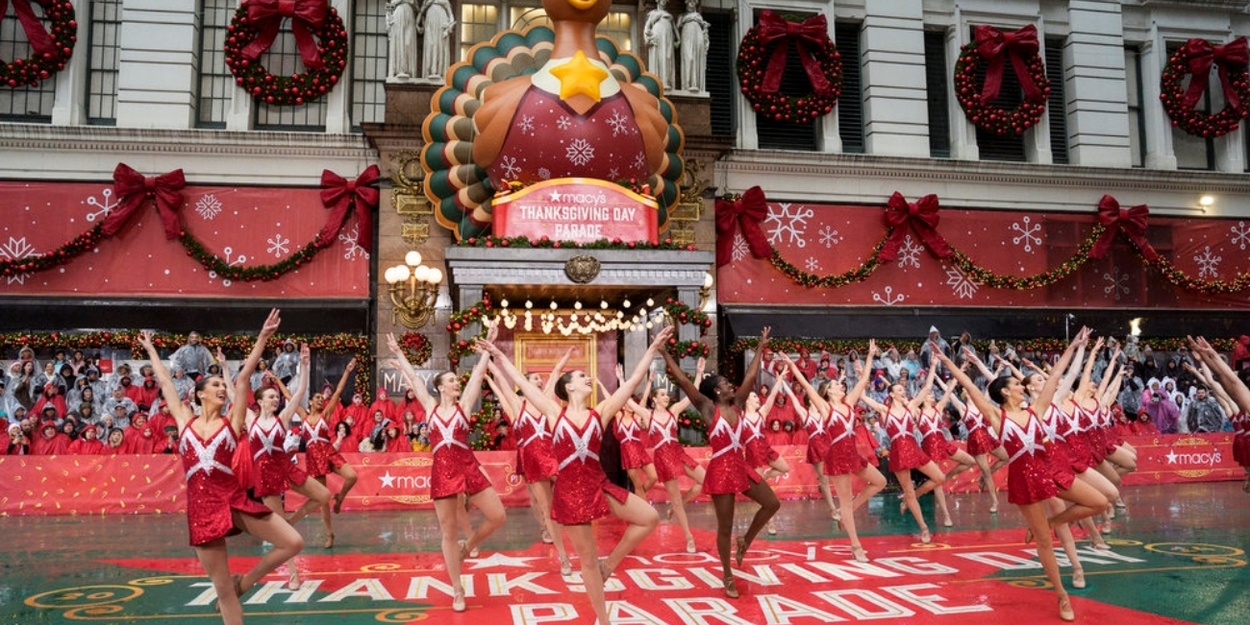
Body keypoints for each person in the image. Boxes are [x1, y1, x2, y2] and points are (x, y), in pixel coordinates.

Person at [479, 326, 671, 624]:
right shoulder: (553, 413)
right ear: (568, 387)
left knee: (650, 517)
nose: (587, 378)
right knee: (588, 561)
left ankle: (611, 565)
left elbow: (633, 380)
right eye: (581, 376)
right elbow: (522, 384)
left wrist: (653, 348)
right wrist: (498, 356)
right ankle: (603, 620)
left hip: (599, 484)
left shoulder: (601, 412)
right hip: (569, 493)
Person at [137, 311, 303, 624]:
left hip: (233, 499)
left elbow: (244, 378)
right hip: (201, 508)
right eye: (215, 385)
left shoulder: (232, 423)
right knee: (223, 591)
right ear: (200, 394)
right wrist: (151, 351)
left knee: (293, 542)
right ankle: (232, 590)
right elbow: (165, 382)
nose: (221, 389)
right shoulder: (184, 422)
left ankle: (245, 583)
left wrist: (262, 337)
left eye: (222, 385)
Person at [936, 329, 1107, 622]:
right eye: (1016, 384)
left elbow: (1055, 378)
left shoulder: (1036, 409)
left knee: (1099, 502)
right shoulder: (996, 417)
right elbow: (971, 387)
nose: (1021, 386)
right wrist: (947, 362)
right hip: (1024, 477)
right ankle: (1062, 596)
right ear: (1005, 392)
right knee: (1045, 543)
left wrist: (1073, 347)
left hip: (1049, 468)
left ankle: (1050, 523)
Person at [387, 329, 506, 614]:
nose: (457, 382)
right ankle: (457, 589)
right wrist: (399, 353)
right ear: (440, 387)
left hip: (468, 466)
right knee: (448, 532)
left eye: (456, 379)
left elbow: (477, 376)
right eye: (451, 380)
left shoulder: (464, 406)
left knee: (498, 515)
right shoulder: (430, 407)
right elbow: (415, 379)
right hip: (442, 472)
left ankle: (468, 546)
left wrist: (487, 348)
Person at [660, 326, 780, 599]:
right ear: (715, 391)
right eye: (725, 383)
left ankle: (746, 539)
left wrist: (760, 348)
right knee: (725, 527)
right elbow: (684, 382)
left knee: (772, 503)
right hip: (721, 471)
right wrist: (664, 353)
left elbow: (750, 376)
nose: (730, 385)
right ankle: (727, 575)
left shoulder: (738, 403)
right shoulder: (707, 409)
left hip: (741, 466)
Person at [782, 344, 886, 562]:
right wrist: (792, 365)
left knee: (880, 482)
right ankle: (856, 546)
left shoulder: (849, 403)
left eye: (841, 384)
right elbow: (807, 386)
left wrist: (868, 356)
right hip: (836, 456)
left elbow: (863, 381)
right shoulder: (824, 407)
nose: (841, 385)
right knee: (845, 502)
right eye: (836, 385)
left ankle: (847, 510)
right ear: (829, 391)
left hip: (853, 454)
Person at [247, 344, 332, 590]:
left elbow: (300, 392)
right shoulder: (250, 419)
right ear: (259, 401)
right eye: (271, 397)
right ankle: (293, 574)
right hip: (265, 475)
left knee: (324, 495)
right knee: (281, 532)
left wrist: (305, 366)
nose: (276, 399)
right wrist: (223, 366)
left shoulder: (282, 418)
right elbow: (236, 392)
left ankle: (292, 520)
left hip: (285, 466)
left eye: (276, 397)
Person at [481, 357, 573, 575]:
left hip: (552, 457)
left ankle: (578, 535)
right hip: (531, 459)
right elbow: (502, 380)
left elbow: (556, 371)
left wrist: (566, 357)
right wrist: (489, 360)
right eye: (535, 379)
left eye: (540, 379)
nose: (540, 381)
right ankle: (563, 556)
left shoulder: (546, 401)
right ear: (524, 384)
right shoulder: (516, 405)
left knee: (570, 494)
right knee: (544, 506)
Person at [859, 364, 945, 543]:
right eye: (899, 389)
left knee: (939, 478)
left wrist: (933, 366)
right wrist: (862, 375)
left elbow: (926, 389)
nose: (903, 391)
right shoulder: (885, 410)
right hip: (898, 452)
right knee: (908, 491)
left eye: (903, 389)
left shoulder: (911, 407)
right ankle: (924, 528)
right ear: (891, 394)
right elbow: (863, 396)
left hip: (915, 449)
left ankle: (908, 498)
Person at [639, 359, 707, 555]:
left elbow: (691, 396)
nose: (666, 396)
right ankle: (689, 537)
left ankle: (677, 506)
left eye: (667, 394)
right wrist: (623, 381)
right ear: (654, 399)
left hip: (679, 453)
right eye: (662, 394)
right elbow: (627, 401)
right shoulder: (648, 415)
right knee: (675, 500)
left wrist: (699, 374)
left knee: (705, 481)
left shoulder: (674, 411)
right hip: (663, 458)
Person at [300, 359, 359, 548]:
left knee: (352, 476)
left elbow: (338, 391)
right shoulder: (303, 416)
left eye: (322, 398)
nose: (320, 400)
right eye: (317, 398)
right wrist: (277, 380)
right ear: (310, 401)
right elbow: (289, 396)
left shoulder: (325, 414)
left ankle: (340, 497)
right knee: (323, 498)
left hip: (328, 451)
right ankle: (329, 534)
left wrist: (347, 371)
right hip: (313, 457)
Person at [1184, 337, 1250, 492]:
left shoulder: (1242, 404)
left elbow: (1229, 381)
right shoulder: (1241, 404)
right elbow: (1222, 381)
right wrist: (1207, 358)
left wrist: (1209, 356)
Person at [676, 0, 709, 93]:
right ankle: (687, 85)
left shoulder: (699, 16)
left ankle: (696, 84)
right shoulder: (682, 16)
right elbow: (677, 28)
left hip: (697, 36)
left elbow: (704, 28)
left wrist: (704, 27)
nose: (692, 2)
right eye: (690, 1)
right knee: (689, 57)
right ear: (686, 3)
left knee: (697, 58)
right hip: (686, 35)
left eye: (694, 1)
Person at [643, 0, 677, 88]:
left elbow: (675, 30)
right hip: (658, 36)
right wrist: (648, 39)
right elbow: (647, 28)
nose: (663, 1)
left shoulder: (670, 16)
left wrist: (678, 40)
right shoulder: (653, 13)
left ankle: (667, 81)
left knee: (667, 57)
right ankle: (659, 82)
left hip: (668, 37)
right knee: (659, 57)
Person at [417, 0, 454, 79]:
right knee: (430, 44)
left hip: (441, 21)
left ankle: (438, 71)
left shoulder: (445, 1)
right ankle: (429, 71)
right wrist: (419, 23)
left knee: (440, 45)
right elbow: (421, 12)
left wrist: (449, 26)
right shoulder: (427, 1)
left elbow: (450, 15)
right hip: (430, 22)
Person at [386, 0, 418, 80]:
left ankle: (409, 70)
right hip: (399, 14)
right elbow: (392, 4)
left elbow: (417, 8)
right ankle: (400, 70)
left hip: (410, 14)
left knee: (408, 43)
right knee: (400, 42)